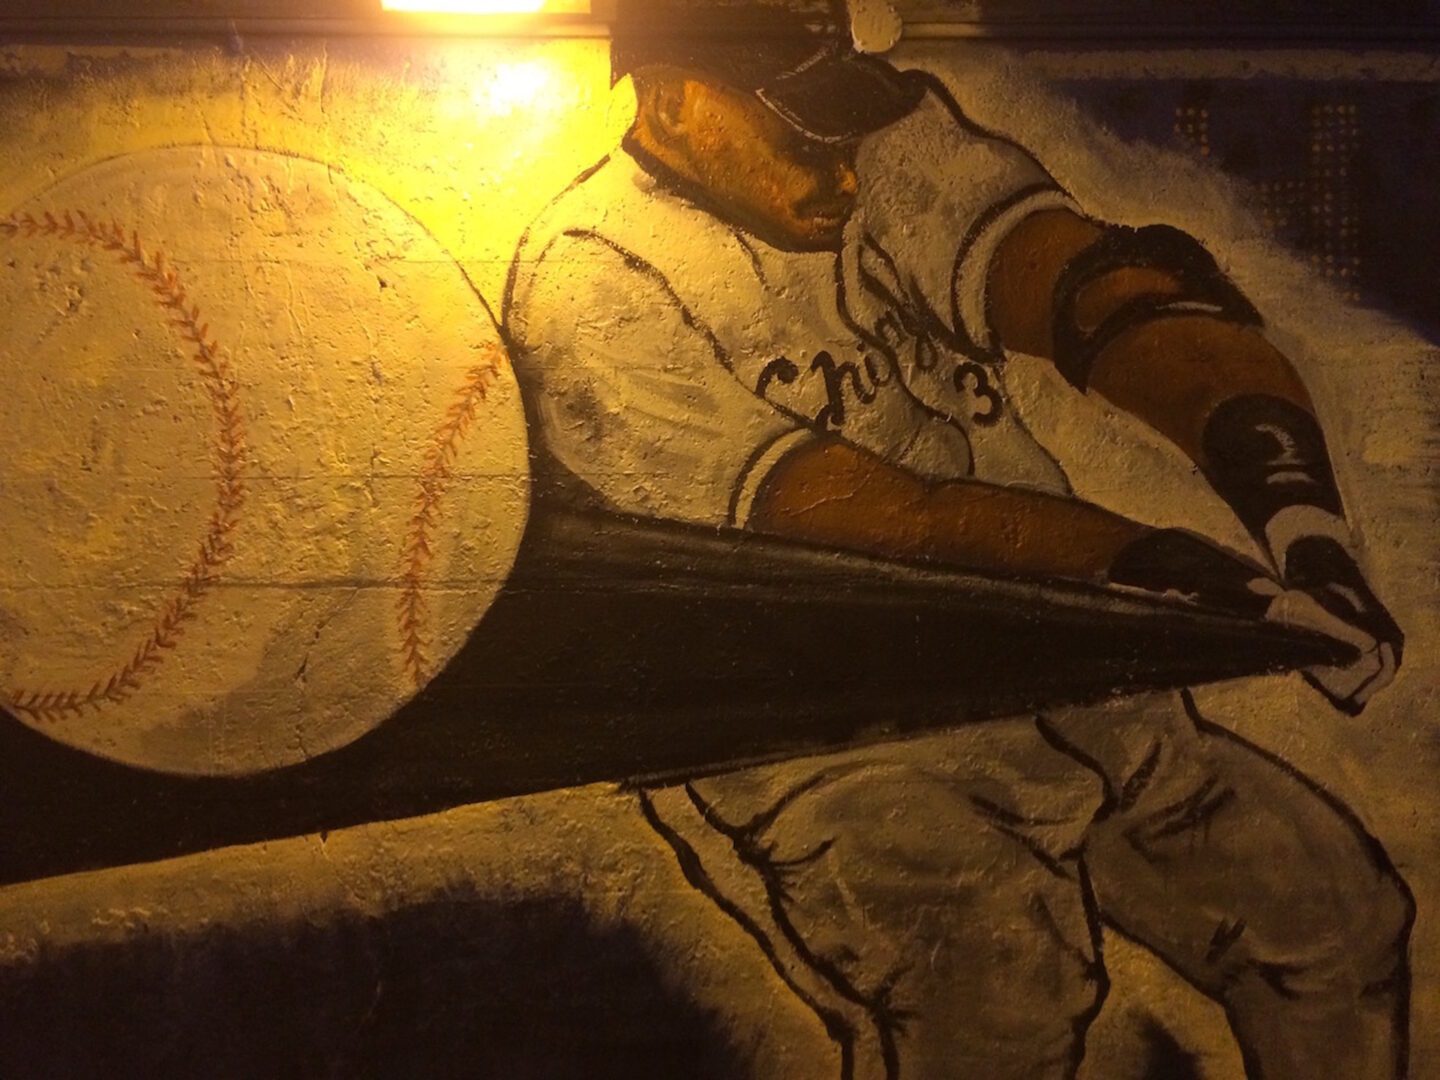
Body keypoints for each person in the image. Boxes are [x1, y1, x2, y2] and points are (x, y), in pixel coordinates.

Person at [503, 6, 1413, 1076]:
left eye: (843, 126)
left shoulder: (879, 143)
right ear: (672, 103)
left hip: (1068, 663)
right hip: (825, 738)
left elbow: (1098, 294)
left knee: (1337, 924)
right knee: (1006, 987)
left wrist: (1302, 528)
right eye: (802, 136)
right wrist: (1159, 567)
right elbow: (880, 521)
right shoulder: (589, 278)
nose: (846, 173)